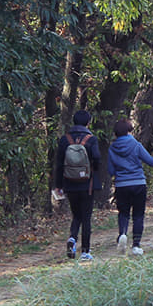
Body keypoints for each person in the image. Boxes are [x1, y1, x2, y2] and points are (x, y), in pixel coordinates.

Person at [107, 118, 153, 255]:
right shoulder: (136, 145)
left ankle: (123, 235)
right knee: (138, 215)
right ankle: (136, 246)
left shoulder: (112, 148)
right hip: (138, 183)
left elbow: (111, 171)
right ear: (129, 132)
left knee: (123, 213)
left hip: (121, 185)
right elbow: (152, 162)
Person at [53, 109, 102, 260]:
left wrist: (58, 186)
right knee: (86, 217)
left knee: (76, 215)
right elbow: (98, 159)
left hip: (69, 183)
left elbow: (59, 164)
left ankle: (72, 238)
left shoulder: (64, 139)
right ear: (88, 122)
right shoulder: (91, 139)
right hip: (87, 184)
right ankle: (85, 251)